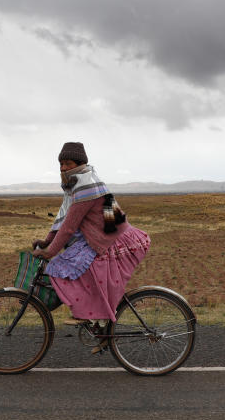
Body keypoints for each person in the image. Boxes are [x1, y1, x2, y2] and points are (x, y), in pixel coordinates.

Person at [32, 142, 150, 343]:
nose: (62, 168)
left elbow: (69, 226)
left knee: (64, 267)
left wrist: (49, 252)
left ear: (79, 164)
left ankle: (100, 321)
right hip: (105, 238)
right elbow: (63, 218)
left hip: (115, 241)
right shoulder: (79, 183)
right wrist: (47, 241)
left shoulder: (86, 186)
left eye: (67, 163)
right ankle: (97, 321)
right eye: (60, 164)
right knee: (79, 268)